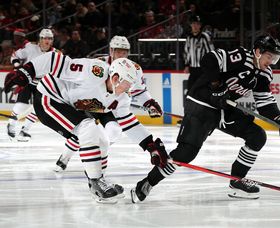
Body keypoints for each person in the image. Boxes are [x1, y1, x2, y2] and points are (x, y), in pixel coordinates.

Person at [131, 35, 280, 203]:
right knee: (186, 153)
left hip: (224, 107)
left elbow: (265, 103)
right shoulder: (241, 57)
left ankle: (237, 182)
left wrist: (279, 120)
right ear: (258, 52)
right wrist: (217, 86)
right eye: (270, 57)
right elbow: (209, 59)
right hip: (201, 101)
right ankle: (147, 182)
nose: (272, 62)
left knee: (257, 136)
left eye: (275, 59)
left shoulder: (265, 74)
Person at [4, 54, 169, 204]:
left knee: (103, 138)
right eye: (128, 84)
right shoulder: (93, 71)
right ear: (116, 78)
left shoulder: (122, 98)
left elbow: (127, 122)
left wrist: (150, 145)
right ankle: (96, 182)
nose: (130, 90)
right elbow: (55, 60)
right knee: (89, 129)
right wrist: (26, 71)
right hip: (49, 98)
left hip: (69, 105)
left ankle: (98, 182)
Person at [54, 35, 165, 174]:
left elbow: (139, 90)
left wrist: (150, 103)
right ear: (111, 51)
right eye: (119, 51)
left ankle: (97, 157)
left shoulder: (132, 69)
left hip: (110, 108)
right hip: (91, 104)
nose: (122, 54)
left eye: (125, 52)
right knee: (83, 131)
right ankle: (64, 158)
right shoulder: (99, 63)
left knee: (113, 131)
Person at [6, 28, 57, 141]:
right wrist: (17, 65)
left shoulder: (56, 53)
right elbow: (15, 55)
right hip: (29, 81)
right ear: (40, 39)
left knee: (39, 108)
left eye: (49, 38)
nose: (47, 41)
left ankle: (24, 131)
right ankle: (11, 124)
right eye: (44, 38)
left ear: (52, 40)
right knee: (22, 105)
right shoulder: (31, 48)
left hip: (44, 84)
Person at [183, 15, 214, 92]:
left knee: (203, 90)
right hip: (193, 69)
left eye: (197, 24)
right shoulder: (189, 37)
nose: (195, 26)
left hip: (203, 69)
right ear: (190, 25)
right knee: (190, 91)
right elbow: (186, 52)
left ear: (200, 26)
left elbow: (210, 51)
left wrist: (210, 66)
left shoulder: (204, 37)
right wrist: (186, 65)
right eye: (193, 24)